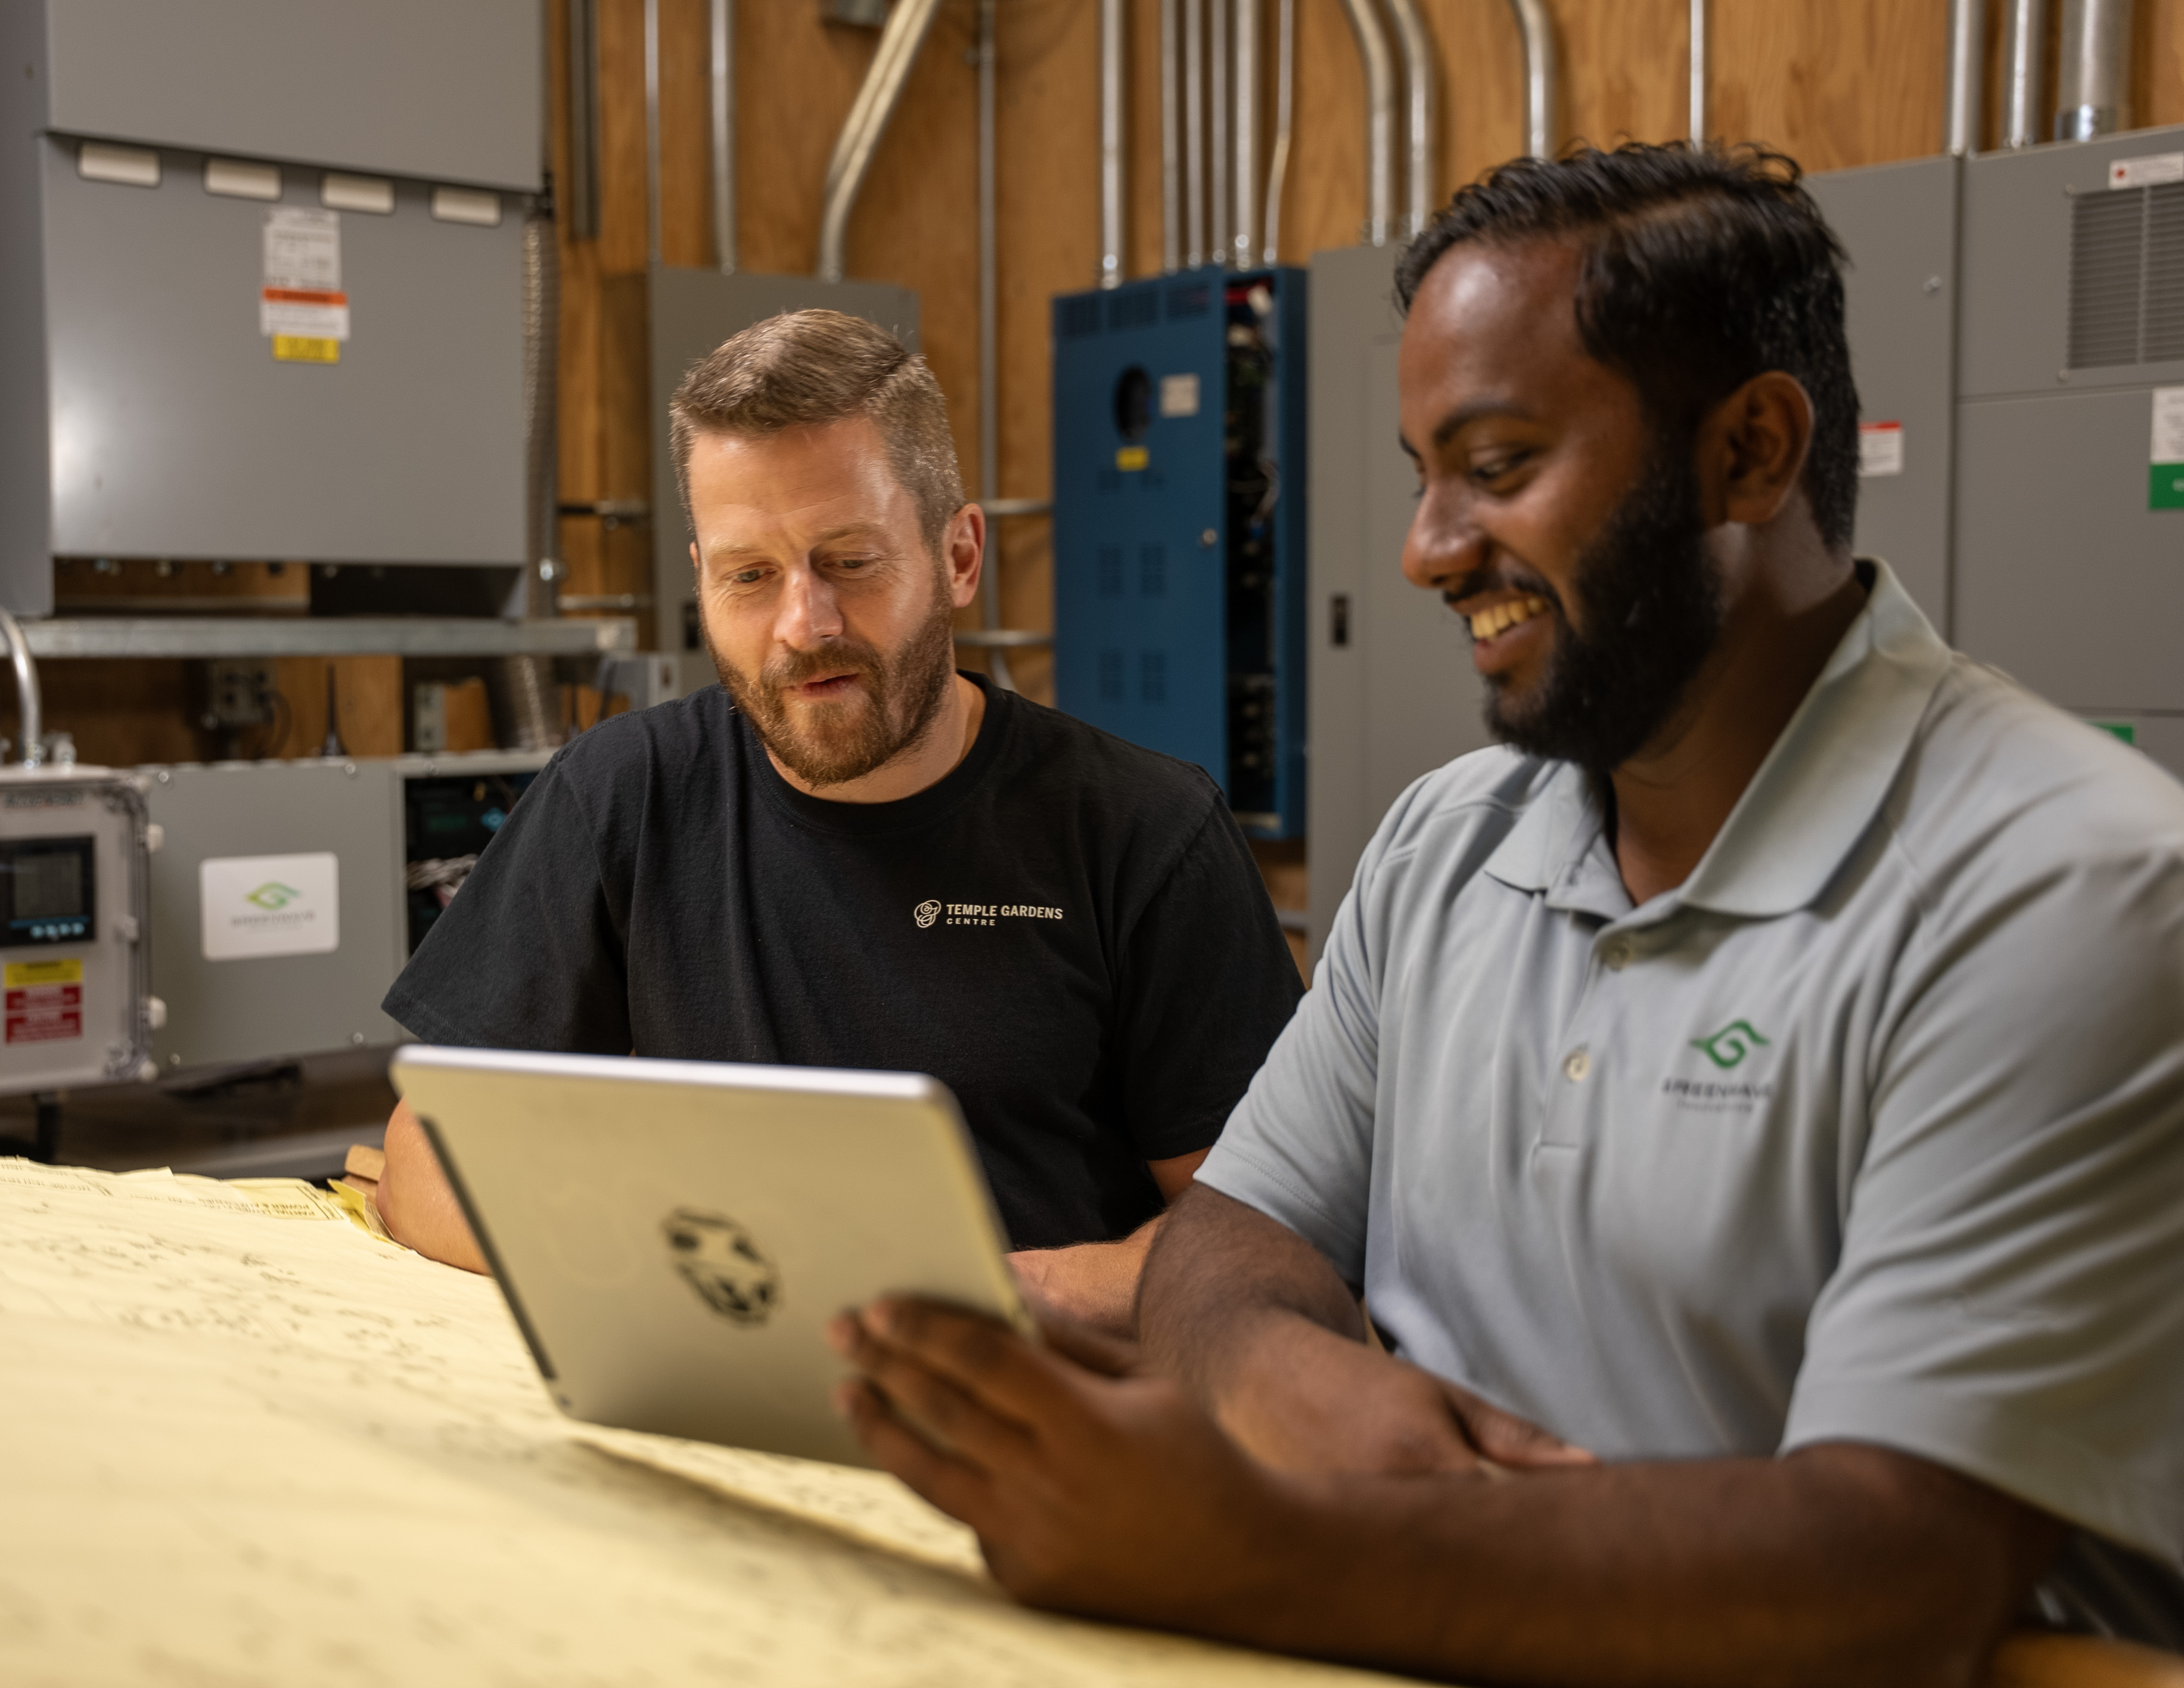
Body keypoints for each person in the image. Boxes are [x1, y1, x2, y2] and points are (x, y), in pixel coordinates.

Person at [828, 143, 2184, 1683]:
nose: (1426, 548)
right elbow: (1228, 1239)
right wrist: (1292, 1391)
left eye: (1497, 465)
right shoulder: (1444, 847)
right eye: (1422, 474)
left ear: (1749, 454)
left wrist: (1260, 1546)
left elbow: (1895, 1573)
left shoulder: (2069, 894)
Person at [374, 309, 1301, 1333]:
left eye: (850, 561)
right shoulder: (620, 796)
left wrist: (984, 1295)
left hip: (1024, 1397)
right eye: (749, 576)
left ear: (959, 555)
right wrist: (707, 1281)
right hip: (714, 1374)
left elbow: (1266, 1232)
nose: (802, 627)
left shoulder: (1144, 832)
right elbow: (423, 1158)